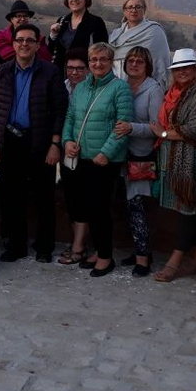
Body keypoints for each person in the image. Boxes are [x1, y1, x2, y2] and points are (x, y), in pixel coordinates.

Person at [0, 22, 68, 263]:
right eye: (19, 40)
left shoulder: (50, 72)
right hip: (9, 141)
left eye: (29, 40)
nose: (24, 44)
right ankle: (17, 245)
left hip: (40, 140)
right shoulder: (3, 71)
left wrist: (55, 144)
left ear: (36, 44)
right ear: (13, 44)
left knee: (44, 195)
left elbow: (59, 110)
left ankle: (44, 246)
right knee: (12, 197)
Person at [61, 43, 133, 277]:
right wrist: (67, 141)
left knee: (100, 209)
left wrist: (106, 153)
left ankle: (105, 256)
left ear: (111, 62)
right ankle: (98, 250)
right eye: (94, 60)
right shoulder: (81, 88)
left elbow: (123, 126)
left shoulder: (120, 88)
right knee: (85, 207)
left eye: (103, 59)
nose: (98, 64)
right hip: (80, 156)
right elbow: (71, 117)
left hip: (104, 160)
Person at [150, 48, 196, 282]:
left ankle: (175, 261)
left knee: (188, 209)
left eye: (187, 68)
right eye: (178, 69)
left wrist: (165, 134)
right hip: (175, 158)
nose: (182, 72)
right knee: (191, 210)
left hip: (192, 160)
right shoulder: (174, 92)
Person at [113, 46, 163, 276]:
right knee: (127, 207)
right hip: (121, 154)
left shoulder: (153, 89)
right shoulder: (121, 86)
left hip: (141, 156)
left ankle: (143, 259)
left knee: (137, 207)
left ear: (147, 65)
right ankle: (139, 249)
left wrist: (132, 128)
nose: (134, 64)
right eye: (131, 60)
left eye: (139, 61)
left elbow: (157, 128)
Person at [58, 49, 91, 264]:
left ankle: (79, 246)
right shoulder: (62, 88)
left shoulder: (93, 89)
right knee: (70, 197)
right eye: (71, 68)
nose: (75, 73)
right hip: (65, 149)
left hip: (87, 151)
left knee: (83, 199)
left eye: (80, 68)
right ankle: (77, 241)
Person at [109, 0, 172, 90]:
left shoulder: (154, 31)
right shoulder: (116, 34)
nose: (133, 10)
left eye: (138, 7)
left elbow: (159, 60)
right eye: (130, 7)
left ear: (144, 10)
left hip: (144, 85)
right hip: (115, 82)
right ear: (124, 11)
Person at [48, 0, 108, 73]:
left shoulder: (96, 22)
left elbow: (102, 52)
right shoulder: (62, 21)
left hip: (84, 75)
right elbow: (52, 50)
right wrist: (53, 35)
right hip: (60, 75)